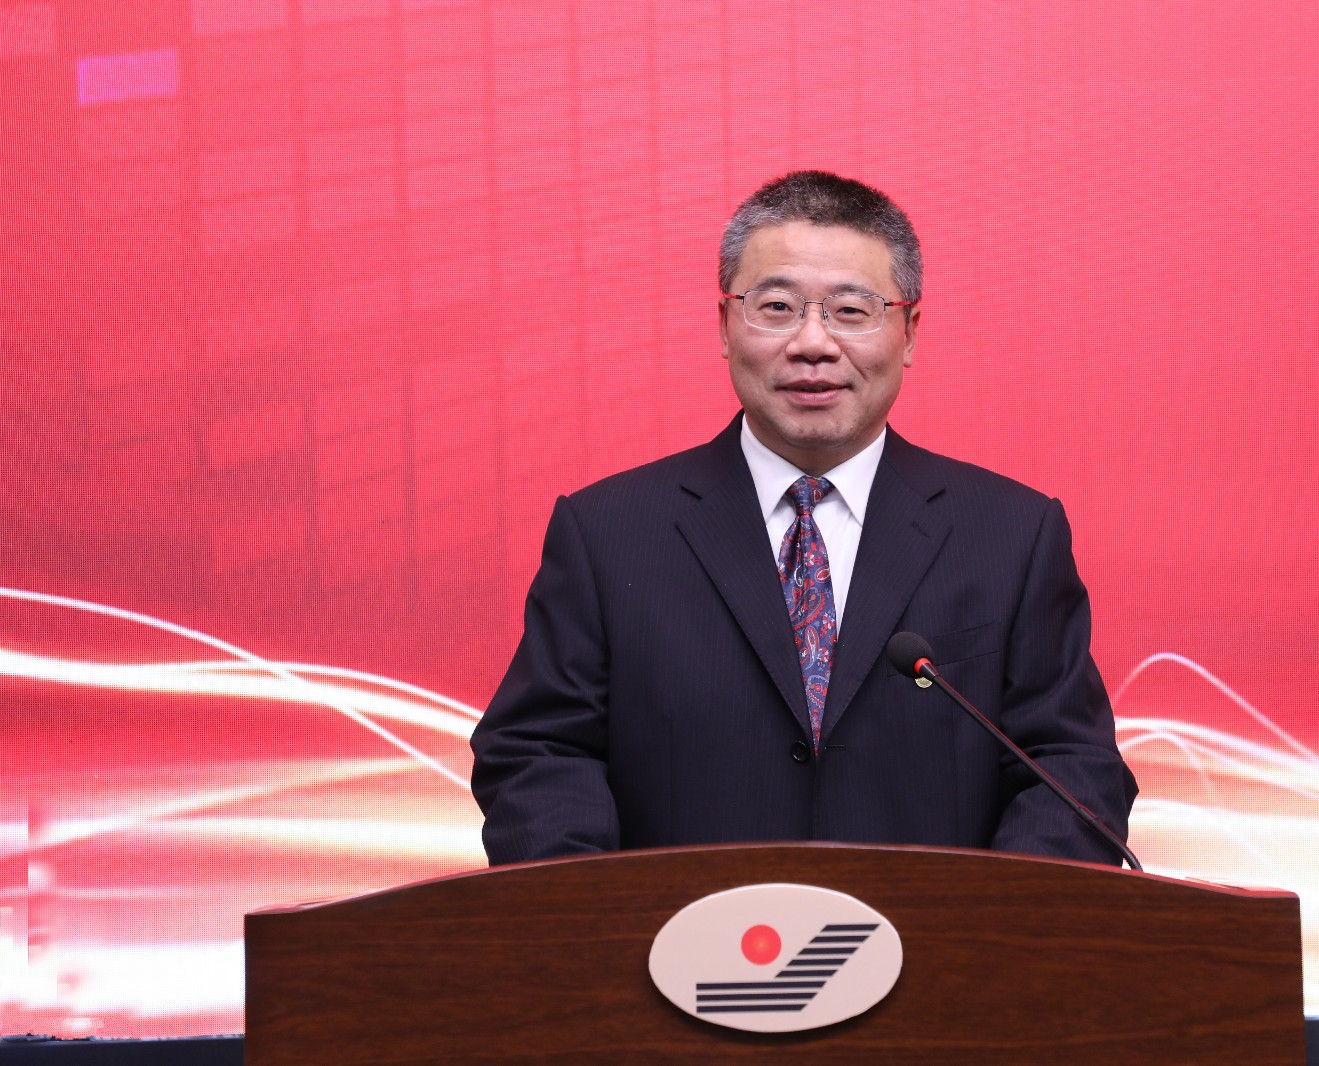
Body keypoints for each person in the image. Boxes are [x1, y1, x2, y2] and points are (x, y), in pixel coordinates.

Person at [471, 171, 1137, 866]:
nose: (813, 343)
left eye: (851, 310)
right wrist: (602, 917)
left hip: (938, 933)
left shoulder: (1011, 537)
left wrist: (991, 923)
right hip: (677, 932)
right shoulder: (608, 534)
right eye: (778, 307)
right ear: (725, 326)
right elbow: (539, 753)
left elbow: (1069, 767)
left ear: (909, 332)